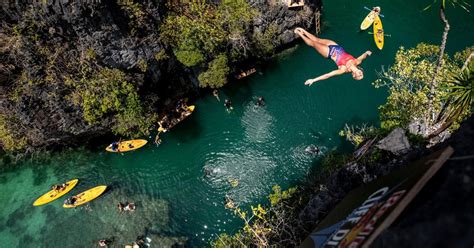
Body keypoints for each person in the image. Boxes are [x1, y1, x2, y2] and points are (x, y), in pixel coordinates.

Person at [294, 27, 372, 84]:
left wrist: (313, 80)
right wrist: (367, 53)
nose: (360, 74)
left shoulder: (343, 70)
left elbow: (328, 75)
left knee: (313, 43)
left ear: (354, 75)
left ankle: (299, 33)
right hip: (336, 46)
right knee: (317, 39)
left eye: (359, 76)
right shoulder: (357, 62)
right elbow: (363, 56)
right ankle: (302, 30)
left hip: (329, 53)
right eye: (361, 74)